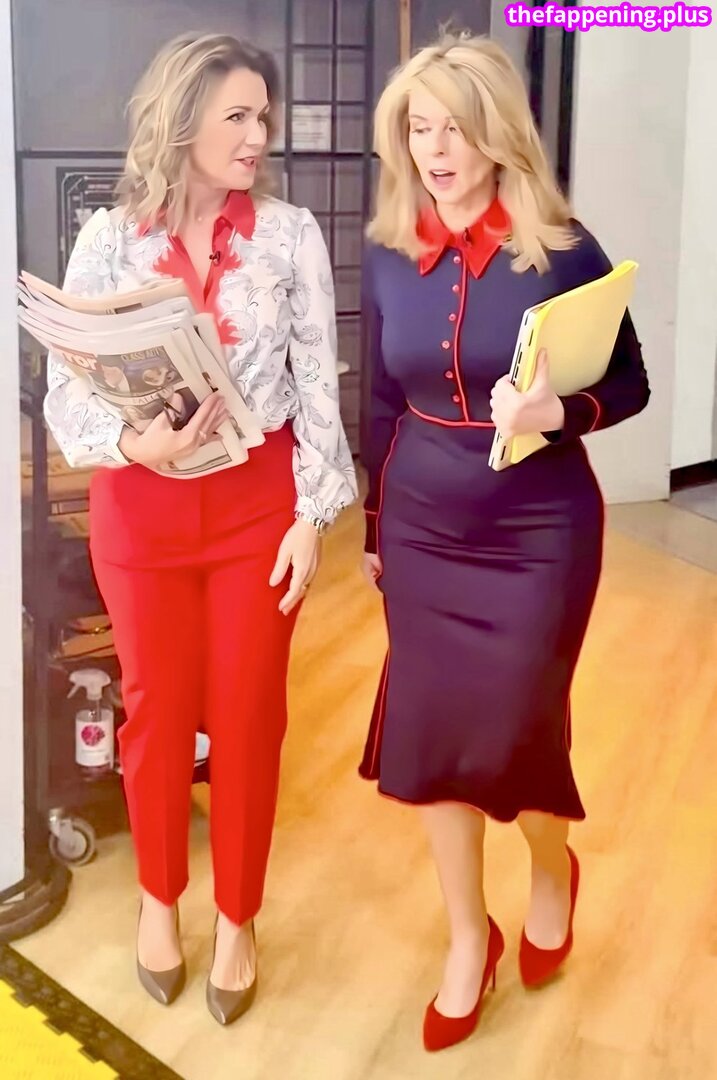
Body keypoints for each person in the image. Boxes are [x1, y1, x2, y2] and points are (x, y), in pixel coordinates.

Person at [44, 32, 357, 1025]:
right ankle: (158, 900)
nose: (259, 135)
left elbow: (318, 387)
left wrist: (312, 517)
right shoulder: (108, 239)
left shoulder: (291, 235)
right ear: (183, 122)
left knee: (250, 714)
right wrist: (133, 445)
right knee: (156, 712)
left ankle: (237, 918)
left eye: (264, 116)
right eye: (238, 116)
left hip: (256, 505)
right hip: (140, 507)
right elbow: (65, 394)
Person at [359, 31, 649, 1052]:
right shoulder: (386, 249)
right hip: (422, 527)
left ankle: (552, 869)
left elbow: (629, 383)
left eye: (455, 127)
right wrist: (374, 529)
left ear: (498, 134)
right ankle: (464, 939)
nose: (436, 149)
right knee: (433, 737)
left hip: (538, 531)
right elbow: (378, 401)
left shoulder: (563, 249)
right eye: (418, 128)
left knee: (520, 730)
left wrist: (557, 413)